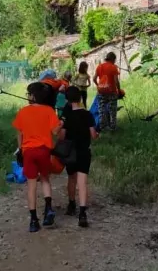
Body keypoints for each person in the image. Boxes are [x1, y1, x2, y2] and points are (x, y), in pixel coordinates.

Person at [12, 82, 62, 232]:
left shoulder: (23, 112)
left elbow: (19, 133)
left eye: (29, 94)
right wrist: (61, 123)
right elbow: (54, 132)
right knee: (45, 179)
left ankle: (34, 221)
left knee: (31, 186)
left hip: (28, 152)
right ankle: (48, 209)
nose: (28, 97)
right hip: (44, 151)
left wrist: (21, 149)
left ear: (33, 96)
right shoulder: (49, 111)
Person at [61, 86, 98, 228]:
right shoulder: (88, 114)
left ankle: (71, 205)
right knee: (82, 182)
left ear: (67, 100)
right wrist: (96, 134)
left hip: (71, 152)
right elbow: (93, 135)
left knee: (71, 179)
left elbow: (62, 136)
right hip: (84, 152)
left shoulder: (67, 117)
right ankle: (83, 213)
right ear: (80, 98)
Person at [93, 52, 120, 132]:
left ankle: (103, 128)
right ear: (112, 59)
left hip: (101, 92)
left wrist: (99, 85)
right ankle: (113, 128)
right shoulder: (113, 67)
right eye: (114, 60)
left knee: (101, 110)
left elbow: (94, 79)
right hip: (112, 92)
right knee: (112, 111)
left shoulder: (99, 66)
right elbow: (116, 81)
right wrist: (119, 90)